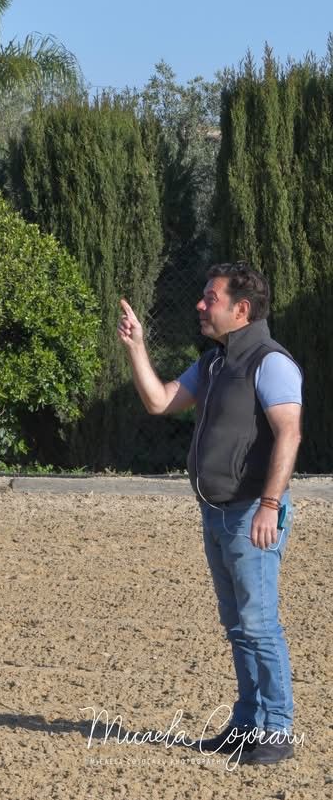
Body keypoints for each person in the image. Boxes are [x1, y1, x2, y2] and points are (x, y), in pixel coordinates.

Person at [117, 263, 303, 766]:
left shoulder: (270, 361)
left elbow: (290, 433)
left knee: (260, 624)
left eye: (210, 297)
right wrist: (137, 348)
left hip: (251, 514)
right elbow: (160, 402)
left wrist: (269, 505)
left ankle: (278, 731)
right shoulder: (216, 363)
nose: (201, 305)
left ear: (240, 309)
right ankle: (247, 726)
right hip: (216, 514)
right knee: (238, 624)